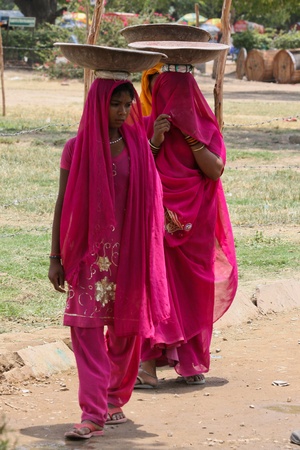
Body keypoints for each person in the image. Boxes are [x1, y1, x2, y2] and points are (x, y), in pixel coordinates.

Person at [48, 74, 170, 438]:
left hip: (130, 254)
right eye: (114, 104)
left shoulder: (136, 146)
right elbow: (62, 202)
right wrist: (56, 256)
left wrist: (155, 145)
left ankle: (115, 397)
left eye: (127, 105)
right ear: (98, 104)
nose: (121, 112)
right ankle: (92, 413)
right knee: (83, 328)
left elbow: (149, 191)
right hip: (88, 256)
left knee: (125, 332)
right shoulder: (75, 148)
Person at [135, 65, 238, 389]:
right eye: (168, 93)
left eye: (182, 95)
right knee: (156, 288)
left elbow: (215, 170)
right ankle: (147, 367)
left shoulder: (205, 127)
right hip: (159, 226)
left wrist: (193, 138)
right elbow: (136, 171)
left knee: (193, 290)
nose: (175, 103)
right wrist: (155, 140)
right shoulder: (148, 126)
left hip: (197, 228)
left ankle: (191, 362)